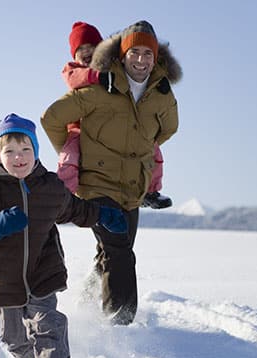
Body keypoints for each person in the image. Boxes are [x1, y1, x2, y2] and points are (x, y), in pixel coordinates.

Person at [41, 20, 182, 325]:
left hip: (132, 186)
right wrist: (73, 146)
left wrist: (142, 147)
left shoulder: (161, 92)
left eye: (148, 53)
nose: (141, 60)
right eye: (135, 52)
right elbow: (51, 117)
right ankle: (120, 325)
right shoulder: (100, 86)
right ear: (123, 53)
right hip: (97, 185)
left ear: (156, 57)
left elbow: (169, 128)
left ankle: (87, 299)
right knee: (119, 252)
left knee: (114, 250)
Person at [0, 114, 127, 358]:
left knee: (49, 327)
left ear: (35, 151)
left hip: (42, 272)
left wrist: (103, 215)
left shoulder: (50, 187)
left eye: (26, 149)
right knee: (13, 340)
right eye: (10, 150)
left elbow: (75, 209)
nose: (19, 157)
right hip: (2, 278)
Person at [59, 21, 173, 209]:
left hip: (109, 128)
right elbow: (74, 79)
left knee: (152, 150)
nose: (87, 52)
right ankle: (65, 196)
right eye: (81, 49)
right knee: (69, 158)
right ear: (74, 55)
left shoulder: (114, 69)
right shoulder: (73, 69)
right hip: (79, 128)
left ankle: (151, 191)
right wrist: (96, 76)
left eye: (91, 47)